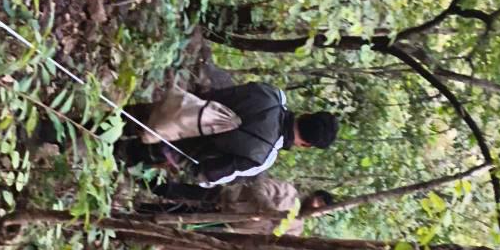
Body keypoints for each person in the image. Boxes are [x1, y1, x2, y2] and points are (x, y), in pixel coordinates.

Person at [119, 82, 338, 187]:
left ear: (307, 114)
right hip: (173, 150)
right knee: (117, 151)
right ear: (306, 145)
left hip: (181, 110)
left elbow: (222, 92)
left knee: (120, 119)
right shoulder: (264, 155)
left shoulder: (271, 95)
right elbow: (211, 175)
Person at [139, 180, 334, 235]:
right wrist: (268, 208)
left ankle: (141, 212)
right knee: (182, 192)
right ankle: (148, 183)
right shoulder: (288, 192)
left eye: (320, 210)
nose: (316, 208)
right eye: (319, 203)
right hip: (228, 198)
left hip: (231, 224)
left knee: (183, 219)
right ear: (314, 196)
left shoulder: (296, 229)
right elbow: (259, 186)